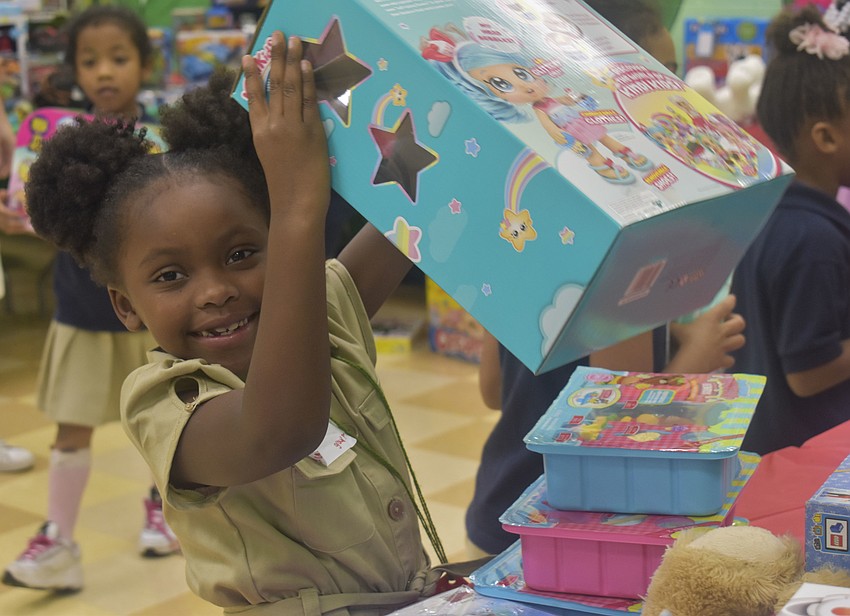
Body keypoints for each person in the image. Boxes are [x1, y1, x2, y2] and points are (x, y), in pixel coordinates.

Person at [20, 33, 443, 613]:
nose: (217, 291)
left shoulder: (320, 312)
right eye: (170, 276)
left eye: (242, 254)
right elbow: (277, 432)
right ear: (125, 306)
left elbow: (414, 199)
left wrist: (444, 82)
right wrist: (297, 205)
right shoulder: (162, 403)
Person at [465, 0, 747, 557]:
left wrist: (679, 335)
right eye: (655, 77)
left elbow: (496, 391)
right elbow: (621, 418)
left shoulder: (527, 212)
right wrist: (700, 356)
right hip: (559, 527)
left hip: (497, 506)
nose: (671, 94)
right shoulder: (631, 233)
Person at [2, 7, 179, 593]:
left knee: (169, 422)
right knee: (69, 430)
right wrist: (24, 220)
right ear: (75, 69)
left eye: (119, 58)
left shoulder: (163, 136)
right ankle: (59, 542)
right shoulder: (52, 138)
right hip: (80, 307)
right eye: (90, 61)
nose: (105, 72)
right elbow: (41, 219)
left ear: (145, 64)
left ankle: (166, 509)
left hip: (153, 314)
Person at [730, 4, 850, 455]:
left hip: (775, 446)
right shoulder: (812, 239)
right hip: (807, 460)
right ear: (825, 137)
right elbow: (808, 373)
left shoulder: (776, 216)